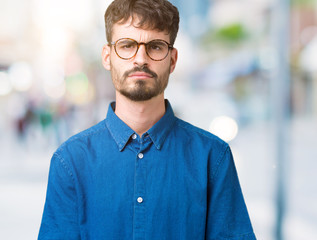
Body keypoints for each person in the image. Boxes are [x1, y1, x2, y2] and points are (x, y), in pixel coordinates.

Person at [38, 0, 256, 239]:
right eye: (127, 45)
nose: (140, 59)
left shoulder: (212, 158)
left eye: (155, 47)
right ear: (107, 56)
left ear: (172, 60)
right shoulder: (70, 161)